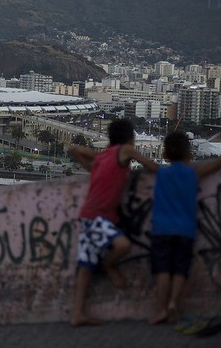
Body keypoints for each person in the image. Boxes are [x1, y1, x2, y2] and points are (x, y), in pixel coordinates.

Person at [70, 118, 158, 327]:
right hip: (98, 217)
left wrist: (93, 167)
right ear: (130, 138)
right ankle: (109, 265)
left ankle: (77, 314)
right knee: (123, 245)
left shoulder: (103, 157)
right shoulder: (125, 151)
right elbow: (151, 166)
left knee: (85, 268)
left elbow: (75, 149)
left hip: (88, 214)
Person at [148, 131, 221, 325]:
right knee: (181, 269)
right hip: (185, 229)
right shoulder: (193, 173)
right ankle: (173, 303)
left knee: (162, 270)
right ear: (188, 152)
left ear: (165, 154)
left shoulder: (161, 173)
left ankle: (162, 309)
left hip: (161, 229)